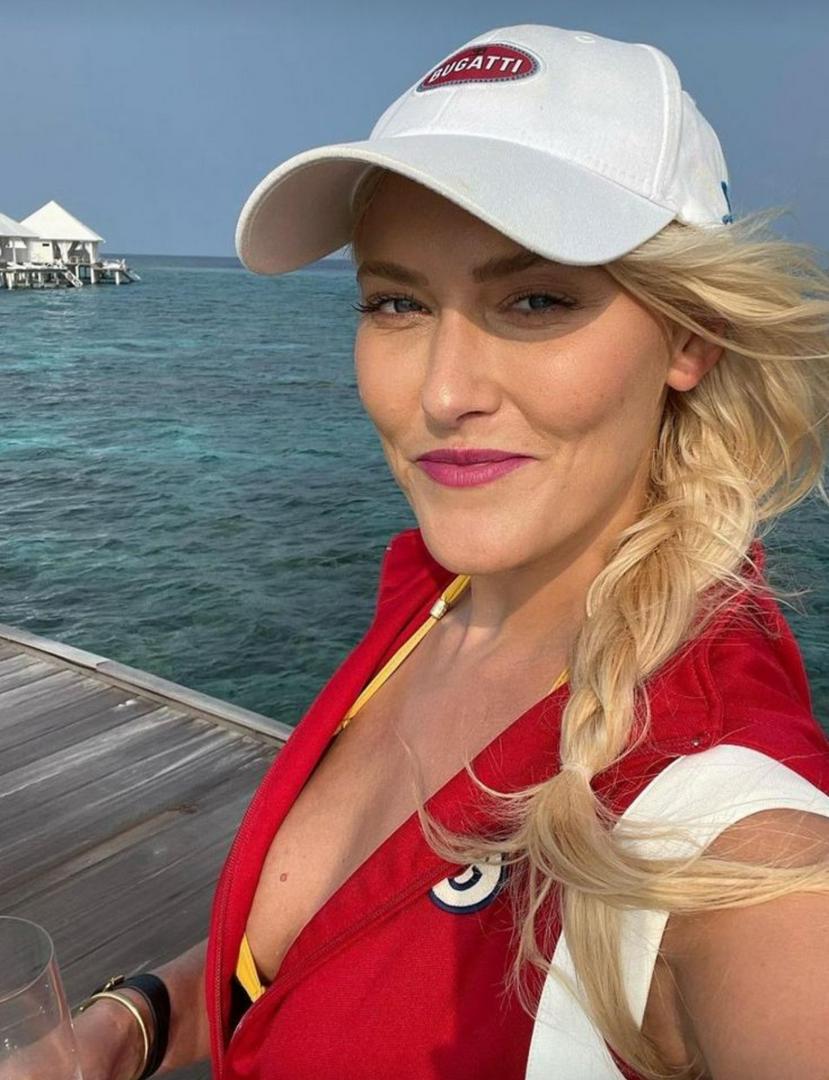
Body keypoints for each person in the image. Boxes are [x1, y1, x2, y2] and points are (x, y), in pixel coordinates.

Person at [71, 23, 829, 1080]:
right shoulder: (438, 597)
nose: (440, 391)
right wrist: (128, 1025)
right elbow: (307, 953)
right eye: (397, 301)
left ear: (689, 337)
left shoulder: (727, 823)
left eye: (535, 299)